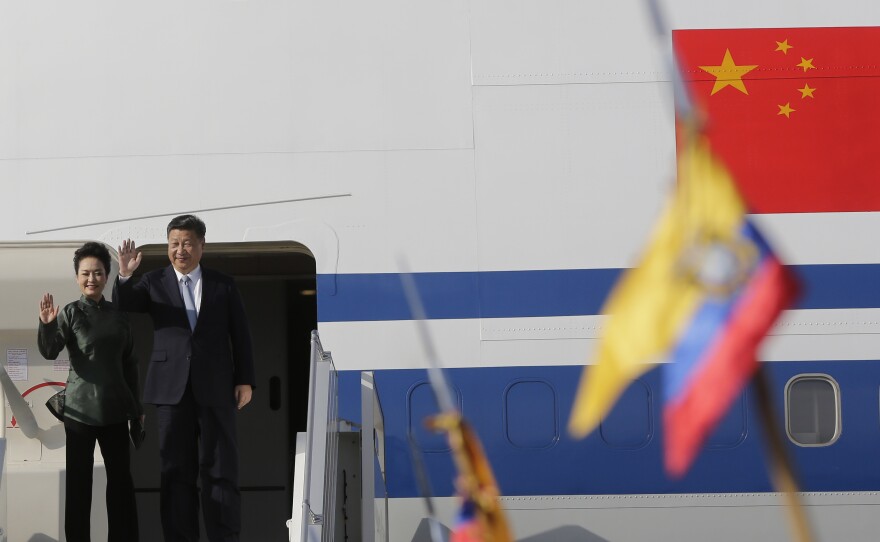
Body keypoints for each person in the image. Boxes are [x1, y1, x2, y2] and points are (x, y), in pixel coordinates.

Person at [114, 214, 255, 542]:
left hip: (217, 388)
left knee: (221, 470)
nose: (180, 250)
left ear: (201, 246)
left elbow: (241, 334)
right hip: (170, 390)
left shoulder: (223, 284)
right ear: (168, 246)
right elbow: (125, 303)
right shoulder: (153, 281)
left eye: (187, 243)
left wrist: (245, 378)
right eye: (174, 244)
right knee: (176, 473)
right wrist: (124, 275)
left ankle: (225, 536)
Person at [38, 241, 142, 542]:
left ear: (106, 276)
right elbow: (49, 351)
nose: (91, 279)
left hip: (116, 410)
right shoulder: (70, 313)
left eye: (97, 273)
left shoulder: (120, 315)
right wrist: (47, 325)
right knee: (79, 486)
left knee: (121, 485)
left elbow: (131, 364)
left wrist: (138, 410)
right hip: (80, 412)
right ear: (76, 277)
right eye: (85, 273)